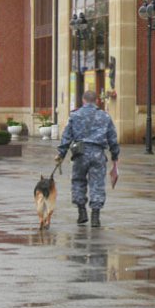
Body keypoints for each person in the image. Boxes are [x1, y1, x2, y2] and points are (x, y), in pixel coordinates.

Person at [55, 90, 120, 227]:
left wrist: (61, 154)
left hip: (80, 152)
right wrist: (115, 155)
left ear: (83, 100)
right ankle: (95, 215)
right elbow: (112, 138)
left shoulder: (75, 115)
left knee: (78, 181)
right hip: (98, 153)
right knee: (97, 184)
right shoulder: (105, 116)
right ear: (96, 101)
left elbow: (67, 136)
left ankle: (82, 212)